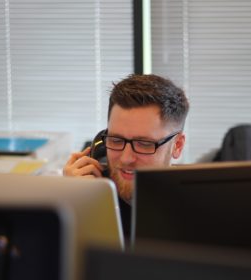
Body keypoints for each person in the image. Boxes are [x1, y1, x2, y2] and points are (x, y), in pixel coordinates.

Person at [63, 74, 189, 238]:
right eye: (116, 140)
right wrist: (70, 203)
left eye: (144, 144)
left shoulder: (196, 214)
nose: (125, 158)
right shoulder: (88, 195)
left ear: (177, 145)